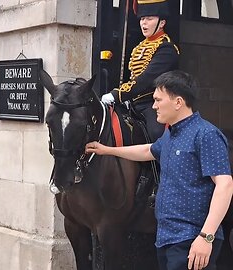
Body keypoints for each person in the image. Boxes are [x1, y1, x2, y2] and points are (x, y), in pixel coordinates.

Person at [86, 70, 233, 270]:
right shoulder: (171, 134)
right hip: (166, 239)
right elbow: (148, 150)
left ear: (178, 102)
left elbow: (225, 185)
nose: (153, 106)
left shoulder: (206, 134)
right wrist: (107, 150)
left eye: (158, 100)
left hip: (193, 239)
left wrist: (206, 237)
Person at [101, 0, 179, 143]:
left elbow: (146, 79)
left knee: (157, 135)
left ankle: (162, 165)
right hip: (133, 102)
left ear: (161, 23)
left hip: (154, 103)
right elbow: (132, 77)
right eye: (142, 19)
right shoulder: (139, 47)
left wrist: (117, 94)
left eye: (149, 19)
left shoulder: (167, 48)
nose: (144, 23)